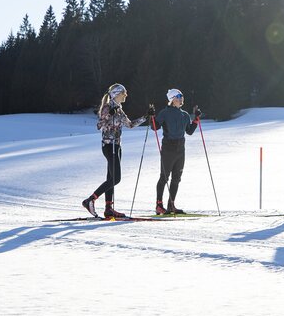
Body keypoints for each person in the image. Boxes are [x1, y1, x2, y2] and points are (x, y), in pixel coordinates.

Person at [82, 83, 149, 219]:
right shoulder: (108, 108)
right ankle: (90, 200)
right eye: (123, 93)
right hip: (108, 145)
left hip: (117, 146)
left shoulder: (119, 109)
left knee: (110, 178)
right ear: (116, 94)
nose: (126, 95)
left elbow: (129, 124)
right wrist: (108, 116)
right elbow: (99, 125)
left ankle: (108, 208)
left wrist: (146, 117)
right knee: (116, 178)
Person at [153, 88, 200, 214]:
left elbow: (189, 131)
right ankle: (159, 205)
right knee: (164, 177)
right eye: (178, 96)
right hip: (168, 148)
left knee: (176, 178)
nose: (181, 98)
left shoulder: (184, 114)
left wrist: (196, 118)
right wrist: (151, 116)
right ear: (172, 99)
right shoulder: (165, 112)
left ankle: (171, 205)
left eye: (181, 96)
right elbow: (155, 127)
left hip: (180, 149)